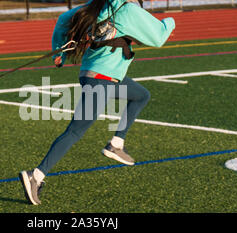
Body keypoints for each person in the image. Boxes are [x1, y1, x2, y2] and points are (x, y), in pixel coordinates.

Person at [19, 0, 175, 205]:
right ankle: (36, 176)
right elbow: (158, 37)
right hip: (102, 80)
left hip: (96, 75)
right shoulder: (128, 9)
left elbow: (63, 19)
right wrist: (171, 21)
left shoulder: (97, 5)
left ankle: (116, 144)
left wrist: (59, 53)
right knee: (74, 131)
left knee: (141, 95)